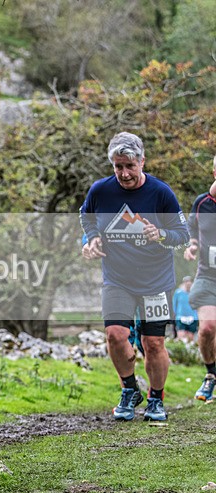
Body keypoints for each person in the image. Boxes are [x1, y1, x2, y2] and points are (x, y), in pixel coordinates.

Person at [80, 131, 189, 422]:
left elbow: (182, 235)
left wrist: (161, 233)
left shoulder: (161, 193)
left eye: (130, 165)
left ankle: (155, 398)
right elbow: (86, 216)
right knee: (116, 335)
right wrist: (89, 241)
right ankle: (129, 389)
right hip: (117, 279)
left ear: (142, 161)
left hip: (156, 281)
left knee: (153, 343)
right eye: (118, 167)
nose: (124, 173)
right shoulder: (100, 191)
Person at [184, 156, 216, 401]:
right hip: (207, 275)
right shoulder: (201, 203)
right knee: (206, 328)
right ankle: (210, 375)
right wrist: (192, 246)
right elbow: (193, 230)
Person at [172, 276, 198, 341]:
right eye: (186, 281)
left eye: (189, 281)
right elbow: (174, 304)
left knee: (190, 337)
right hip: (180, 317)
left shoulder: (195, 293)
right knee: (181, 336)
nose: (188, 283)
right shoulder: (178, 293)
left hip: (192, 317)